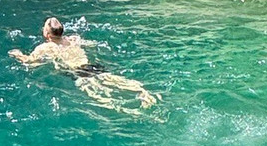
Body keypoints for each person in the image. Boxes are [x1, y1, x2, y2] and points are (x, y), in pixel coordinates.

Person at [9, 17, 159, 110]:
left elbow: (30, 62)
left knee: (102, 97)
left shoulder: (46, 47)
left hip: (79, 72)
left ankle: (132, 111)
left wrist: (18, 55)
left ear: (47, 34)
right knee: (115, 80)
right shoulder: (73, 39)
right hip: (91, 66)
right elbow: (91, 44)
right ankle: (143, 91)